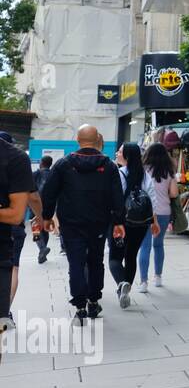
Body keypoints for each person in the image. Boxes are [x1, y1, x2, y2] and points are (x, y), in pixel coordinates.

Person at [37, 125, 125, 323]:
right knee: (95, 261)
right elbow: (117, 196)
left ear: (77, 139)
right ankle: (93, 301)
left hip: (71, 224)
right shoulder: (109, 166)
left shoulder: (63, 164)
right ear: (96, 140)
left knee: (75, 263)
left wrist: (47, 216)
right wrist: (119, 221)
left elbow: (49, 193)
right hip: (99, 224)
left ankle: (79, 307)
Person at [108, 143, 154, 309]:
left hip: (121, 222)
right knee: (131, 256)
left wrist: (113, 221)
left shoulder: (119, 173)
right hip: (140, 224)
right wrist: (153, 223)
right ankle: (125, 289)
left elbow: (114, 198)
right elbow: (152, 200)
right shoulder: (146, 176)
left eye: (120, 151)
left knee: (114, 257)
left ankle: (121, 284)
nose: (117, 153)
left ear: (126, 156)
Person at [0, 134, 40, 313]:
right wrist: (42, 217)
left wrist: (42, 217)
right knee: (15, 267)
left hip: (4, 244)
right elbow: (33, 198)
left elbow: (16, 214)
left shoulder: (15, 158)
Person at [137, 142, 178, 293]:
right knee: (158, 245)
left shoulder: (142, 170)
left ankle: (143, 282)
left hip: (145, 212)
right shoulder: (169, 171)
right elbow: (174, 193)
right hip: (163, 211)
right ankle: (158, 277)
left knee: (145, 246)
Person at [32, 156, 53, 263]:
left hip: (36, 205)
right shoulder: (53, 174)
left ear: (41, 163)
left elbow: (29, 188)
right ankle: (42, 253)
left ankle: (42, 249)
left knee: (35, 229)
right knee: (45, 229)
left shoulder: (36, 174)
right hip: (49, 206)